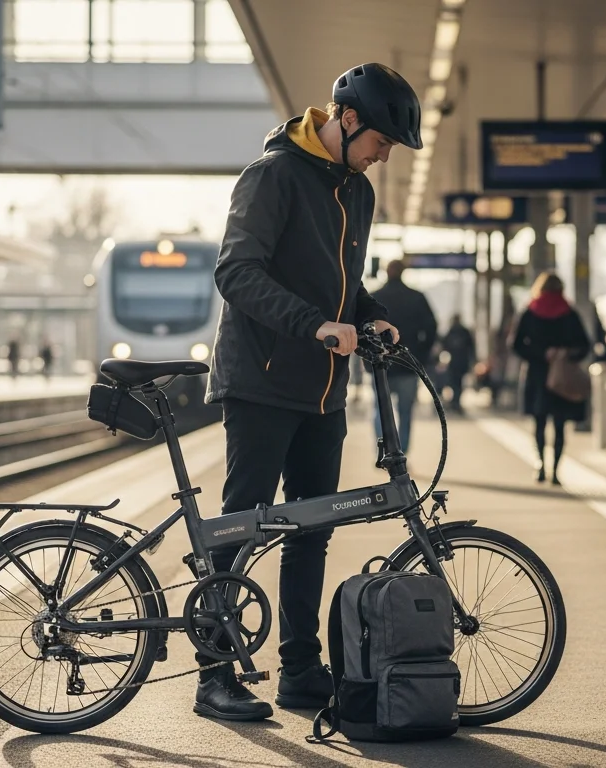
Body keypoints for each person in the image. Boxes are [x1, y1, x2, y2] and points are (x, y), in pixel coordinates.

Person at [201, 62, 419, 721]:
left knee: (311, 531)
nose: (383, 157)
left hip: (324, 391)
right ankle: (213, 674)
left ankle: (300, 670)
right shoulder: (272, 176)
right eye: (381, 142)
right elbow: (236, 272)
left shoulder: (357, 192)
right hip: (262, 382)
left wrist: (369, 312)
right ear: (348, 121)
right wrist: (315, 325)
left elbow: (343, 286)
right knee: (240, 526)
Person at [511, 272, 591, 486]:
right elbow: (585, 345)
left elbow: (516, 345)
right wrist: (565, 354)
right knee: (559, 424)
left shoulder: (529, 311)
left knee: (538, 423)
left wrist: (539, 355)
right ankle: (555, 469)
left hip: (537, 375)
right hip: (561, 377)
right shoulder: (569, 313)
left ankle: (540, 465)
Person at [370, 259, 437, 451]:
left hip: (379, 363)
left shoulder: (375, 297)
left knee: (380, 410)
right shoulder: (416, 297)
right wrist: (421, 354)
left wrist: (368, 357)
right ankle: (401, 453)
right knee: (406, 412)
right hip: (408, 363)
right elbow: (432, 327)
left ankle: (385, 452)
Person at [439, 315, 475, 413]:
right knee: (457, 383)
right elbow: (471, 347)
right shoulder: (464, 332)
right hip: (461, 361)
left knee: (455, 382)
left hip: (455, 362)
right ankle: (456, 402)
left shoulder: (452, 332)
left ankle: (455, 402)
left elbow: (444, 345)